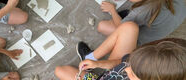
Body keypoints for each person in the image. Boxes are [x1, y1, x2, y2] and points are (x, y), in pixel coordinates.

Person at [55, 24, 186, 80]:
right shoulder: (142, 62)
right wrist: (98, 64)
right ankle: (91, 58)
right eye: (130, 64)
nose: (126, 70)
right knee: (129, 28)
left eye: (133, 75)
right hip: (107, 76)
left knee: (60, 71)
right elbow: (121, 63)